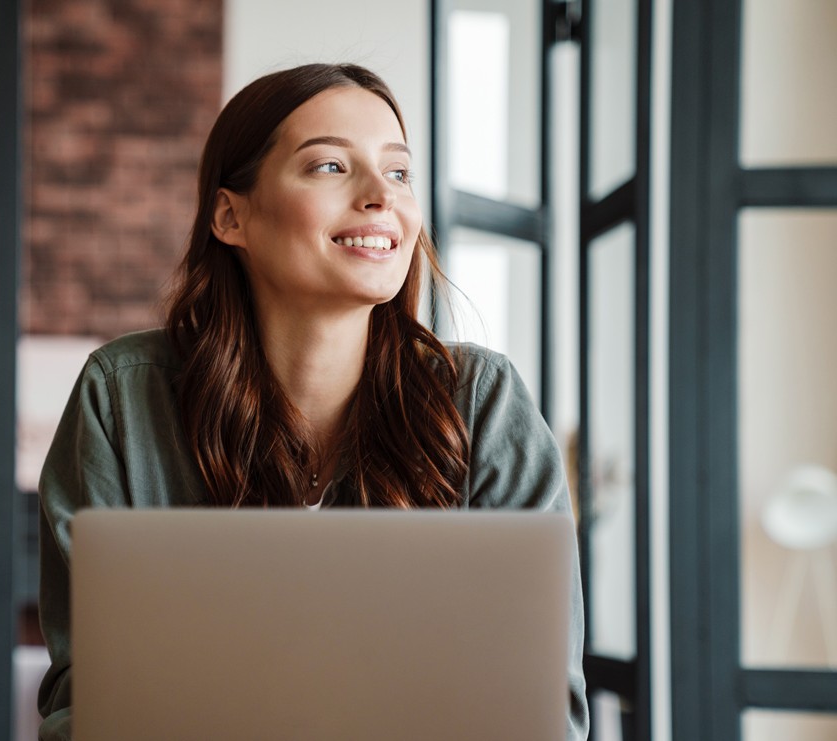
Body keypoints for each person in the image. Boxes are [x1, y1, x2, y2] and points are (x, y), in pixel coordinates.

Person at [35, 62, 588, 740]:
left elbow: (545, 710)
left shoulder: (483, 403)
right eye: (330, 167)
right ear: (230, 215)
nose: (380, 197)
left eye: (399, 172)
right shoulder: (121, 400)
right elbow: (84, 695)